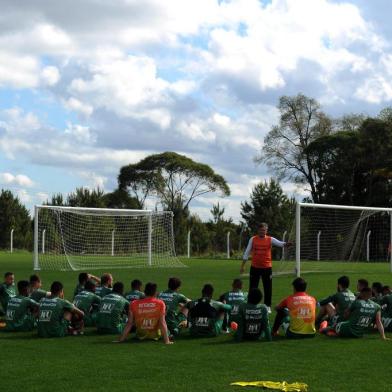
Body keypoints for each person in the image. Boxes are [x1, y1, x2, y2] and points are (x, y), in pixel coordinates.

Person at [240, 223, 291, 312]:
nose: (262, 232)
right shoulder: (253, 239)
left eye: (264, 230)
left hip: (267, 268)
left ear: (266, 231)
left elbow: (280, 243)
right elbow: (247, 252)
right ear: (258, 230)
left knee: (267, 287)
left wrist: (287, 244)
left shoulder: (270, 239)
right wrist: (243, 266)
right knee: (252, 287)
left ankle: (267, 306)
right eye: (261, 230)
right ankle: (251, 304)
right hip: (255, 267)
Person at [323, 287, 387, 340]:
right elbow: (378, 322)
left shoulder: (357, 302)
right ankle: (334, 332)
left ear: (361, 293)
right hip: (360, 333)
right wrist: (383, 336)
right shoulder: (377, 306)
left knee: (333, 327)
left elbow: (345, 315)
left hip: (348, 328)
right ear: (370, 295)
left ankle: (322, 329)